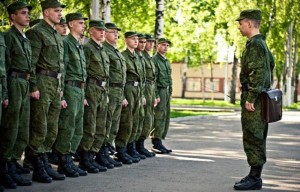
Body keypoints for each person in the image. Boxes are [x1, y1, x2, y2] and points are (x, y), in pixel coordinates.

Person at [25, 0, 66, 183]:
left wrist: (61, 90)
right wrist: (33, 86)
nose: (60, 14)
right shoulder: (36, 32)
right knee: (40, 125)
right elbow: (31, 63)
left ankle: (45, 160)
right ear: (47, 12)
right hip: (42, 81)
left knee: (52, 126)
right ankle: (37, 164)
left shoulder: (56, 35)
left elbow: (62, 66)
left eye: (60, 11)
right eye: (57, 11)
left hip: (55, 83)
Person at [234, 9, 274, 190]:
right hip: (256, 97)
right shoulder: (259, 44)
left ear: (249, 23)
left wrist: (251, 97)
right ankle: (253, 174)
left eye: (241, 23)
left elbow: (260, 73)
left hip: (254, 100)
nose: (239, 27)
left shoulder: (257, 45)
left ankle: (255, 177)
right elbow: (267, 68)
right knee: (254, 135)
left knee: (253, 136)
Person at [0, 1, 33, 189]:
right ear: (13, 17)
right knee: (11, 127)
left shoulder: (25, 38)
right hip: (13, 82)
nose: (27, 16)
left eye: (28, 13)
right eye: (23, 13)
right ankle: (5, 167)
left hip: (25, 82)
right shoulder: (8, 37)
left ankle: (12, 164)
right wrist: (5, 91)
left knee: (22, 127)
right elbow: (6, 64)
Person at [54, 12, 88, 178]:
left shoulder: (79, 44)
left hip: (80, 90)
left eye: (84, 23)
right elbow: (63, 69)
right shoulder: (66, 43)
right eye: (81, 23)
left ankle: (69, 158)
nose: (83, 26)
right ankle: (63, 162)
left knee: (78, 128)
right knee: (68, 126)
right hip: (69, 88)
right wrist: (61, 94)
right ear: (71, 24)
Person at [78, 20, 110, 172]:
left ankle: (94, 154)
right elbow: (83, 72)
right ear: (90, 31)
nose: (102, 32)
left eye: (104, 30)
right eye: (99, 30)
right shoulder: (87, 48)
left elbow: (107, 74)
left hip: (102, 89)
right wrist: (83, 93)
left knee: (100, 125)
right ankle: (85, 157)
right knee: (90, 124)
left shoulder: (102, 49)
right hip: (91, 88)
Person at [114, 31, 144, 164]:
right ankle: (121, 149)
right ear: (126, 40)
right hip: (128, 89)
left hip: (137, 90)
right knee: (126, 121)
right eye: (133, 39)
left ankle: (131, 146)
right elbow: (122, 78)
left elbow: (142, 78)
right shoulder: (123, 56)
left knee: (135, 120)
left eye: (137, 39)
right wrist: (123, 96)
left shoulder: (137, 57)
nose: (136, 41)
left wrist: (142, 94)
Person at [99, 22, 125, 168]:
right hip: (109, 90)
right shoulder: (106, 50)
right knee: (106, 123)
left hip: (118, 91)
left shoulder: (115, 51)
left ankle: (107, 150)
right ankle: (102, 151)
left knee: (113, 124)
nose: (116, 35)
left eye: (117, 32)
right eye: (113, 32)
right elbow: (106, 75)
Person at [150, 38, 173, 154]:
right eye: (163, 45)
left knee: (165, 116)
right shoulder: (154, 60)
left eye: (167, 46)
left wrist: (170, 92)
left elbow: (169, 79)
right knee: (158, 116)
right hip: (159, 91)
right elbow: (153, 80)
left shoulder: (166, 61)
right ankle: (155, 141)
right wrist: (155, 95)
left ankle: (160, 140)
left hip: (167, 92)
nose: (165, 47)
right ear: (157, 46)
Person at [136, 34, 157, 157]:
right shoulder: (141, 56)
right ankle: (136, 145)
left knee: (148, 118)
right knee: (141, 118)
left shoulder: (148, 57)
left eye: (151, 42)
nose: (149, 45)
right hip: (143, 88)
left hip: (150, 88)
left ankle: (140, 144)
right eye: (146, 42)